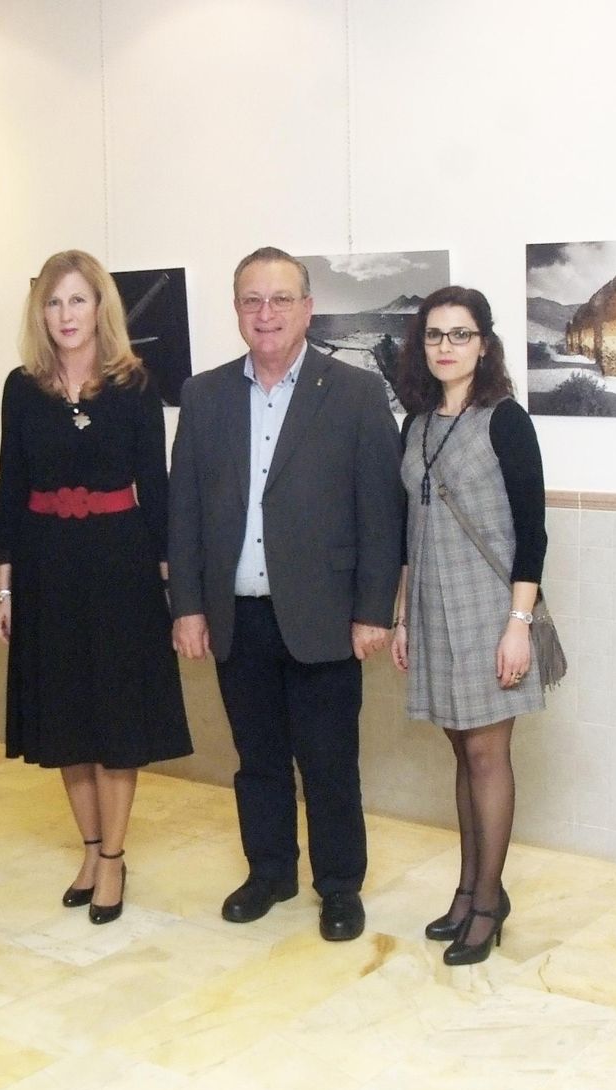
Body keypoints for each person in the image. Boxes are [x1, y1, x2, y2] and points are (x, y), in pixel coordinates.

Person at [169, 246, 403, 942]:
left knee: (330, 763)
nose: (265, 313)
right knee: (258, 760)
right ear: (237, 310)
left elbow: (381, 515)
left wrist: (372, 611)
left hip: (327, 618)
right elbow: (184, 510)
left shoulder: (356, 394)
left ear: (306, 308)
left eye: (279, 299)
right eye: (251, 300)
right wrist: (187, 605)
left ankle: (339, 887)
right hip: (237, 618)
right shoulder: (204, 396)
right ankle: (270, 872)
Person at [0, 250, 192, 925]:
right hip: (47, 566)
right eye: (53, 302)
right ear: (39, 313)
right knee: (66, 719)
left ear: (99, 307)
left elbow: (155, 488)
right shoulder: (23, 388)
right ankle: (90, 846)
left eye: (77, 301)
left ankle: (113, 860)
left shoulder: (134, 383)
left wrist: (169, 581)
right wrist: (6, 588)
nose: (66, 315)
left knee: (116, 718)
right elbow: (13, 491)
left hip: (120, 564)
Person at [392, 285, 546, 966]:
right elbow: (409, 527)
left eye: (459, 334)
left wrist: (519, 624)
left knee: (488, 755)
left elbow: (533, 533)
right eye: (434, 335)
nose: (445, 347)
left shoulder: (505, 420)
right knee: (461, 754)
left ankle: (488, 905)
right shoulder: (416, 422)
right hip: (431, 606)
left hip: (490, 609)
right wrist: (400, 615)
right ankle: (467, 888)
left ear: (484, 343)